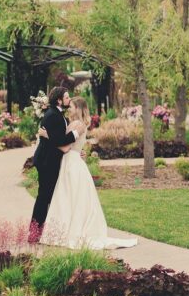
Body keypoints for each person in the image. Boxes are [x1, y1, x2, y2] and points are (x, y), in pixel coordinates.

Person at [38, 97, 137, 250]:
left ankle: (67, 233)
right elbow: (70, 145)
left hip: (71, 164)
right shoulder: (76, 123)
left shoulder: (77, 124)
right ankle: (63, 232)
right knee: (70, 198)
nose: (68, 107)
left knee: (68, 197)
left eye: (71, 105)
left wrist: (47, 136)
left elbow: (65, 147)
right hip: (72, 161)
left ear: (77, 108)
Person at [29, 86, 80, 243]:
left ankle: (42, 232)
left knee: (47, 197)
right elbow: (59, 140)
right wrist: (76, 134)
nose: (69, 99)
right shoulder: (53, 115)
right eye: (66, 97)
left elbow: (54, 138)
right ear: (59, 100)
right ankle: (34, 234)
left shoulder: (58, 114)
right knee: (44, 197)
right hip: (46, 162)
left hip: (49, 160)